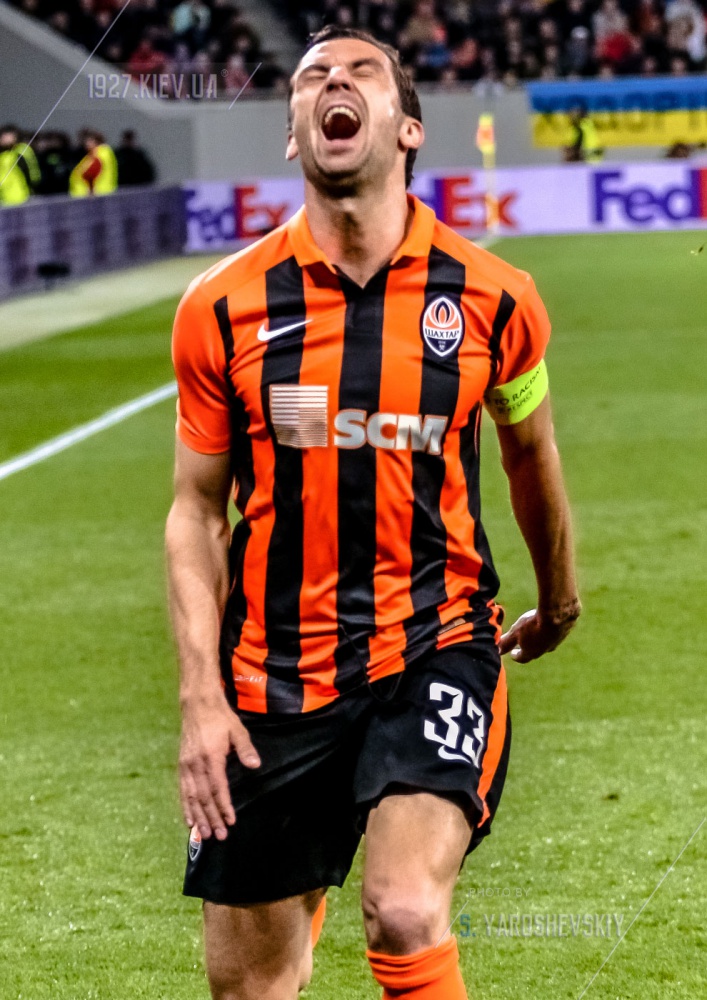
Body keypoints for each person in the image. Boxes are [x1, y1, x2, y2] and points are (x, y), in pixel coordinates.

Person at [166, 24, 581, 1000]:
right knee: (250, 986)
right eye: (312, 76)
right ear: (293, 132)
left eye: (359, 72)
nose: (332, 84)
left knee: (403, 906)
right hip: (272, 675)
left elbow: (529, 451)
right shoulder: (219, 308)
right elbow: (195, 511)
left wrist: (558, 598)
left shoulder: (494, 299)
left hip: (432, 646)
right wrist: (199, 694)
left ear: (406, 127)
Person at [69, 129, 118, 197]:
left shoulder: (100, 154)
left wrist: (90, 189)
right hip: (102, 192)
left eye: (88, 141)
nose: (86, 144)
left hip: (96, 194)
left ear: (95, 141)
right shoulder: (102, 153)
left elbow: (90, 172)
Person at [0, 124, 40, 206]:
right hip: (4, 196)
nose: (5, 139)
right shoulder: (3, 154)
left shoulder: (20, 151)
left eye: (8, 136)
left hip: (19, 196)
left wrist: (33, 189)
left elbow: (30, 172)